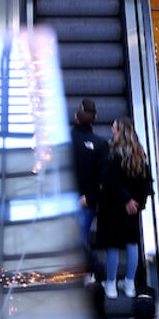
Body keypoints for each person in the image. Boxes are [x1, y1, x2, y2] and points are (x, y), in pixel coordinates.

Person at [96, 117, 152, 298]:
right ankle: (130, 284)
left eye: (113, 126)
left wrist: (125, 199)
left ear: (119, 130)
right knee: (131, 243)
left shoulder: (113, 152)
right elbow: (147, 182)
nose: (111, 129)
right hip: (133, 210)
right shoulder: (140, 153)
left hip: (113, 206)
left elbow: (110, 181)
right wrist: (137, 203)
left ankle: (111, 285)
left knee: (112, 245)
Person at [71, 100, 106, 254]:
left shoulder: (63, 141)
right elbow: (106, 178)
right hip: (86, 201)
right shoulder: (101, 144)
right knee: (81, 239)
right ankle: (87, 271)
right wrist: (91, 198)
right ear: (95, 117)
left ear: (75, 117)